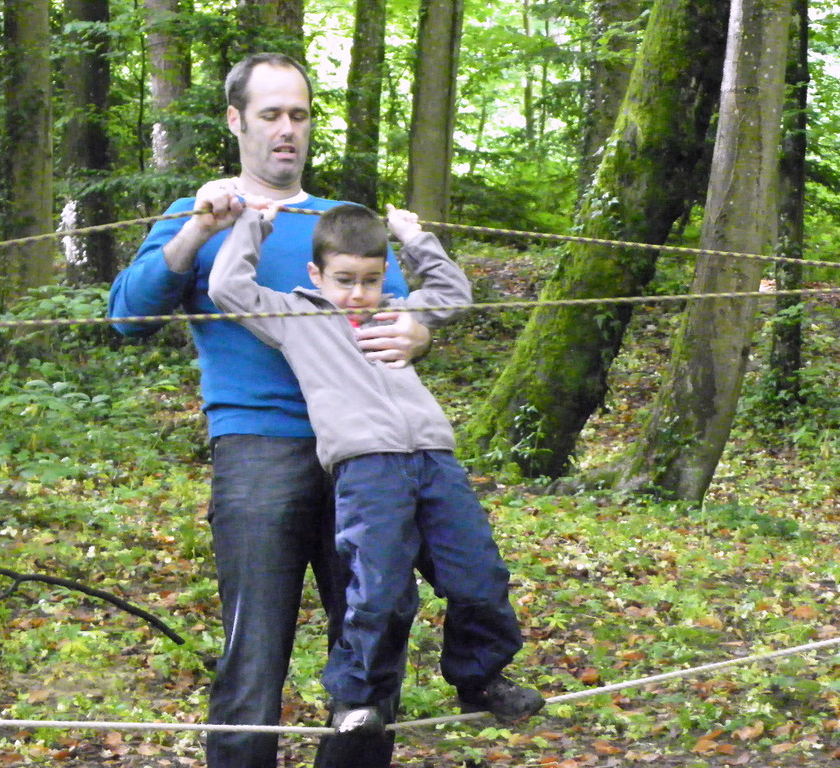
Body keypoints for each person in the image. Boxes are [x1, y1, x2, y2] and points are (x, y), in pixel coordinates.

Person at [108, 53, 430, 768]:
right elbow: (127, 315)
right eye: (271, 114)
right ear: (236, 121)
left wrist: (417, 332)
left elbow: (404, 310)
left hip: (365, 452)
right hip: (258, 449)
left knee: (374, 644)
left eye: (299, 115)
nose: (287, 129)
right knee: (252, 658)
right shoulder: (198, 214)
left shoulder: (339, 222)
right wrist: (197, 231)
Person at [208, 199, 545, 735]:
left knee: (480, 578)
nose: (358, 294)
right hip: (368, 470)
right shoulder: (295, 318)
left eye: (370, 280)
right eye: (344, 280)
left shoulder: (397, 312)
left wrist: (414, 238)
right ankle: (357, 697)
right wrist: (254, 225)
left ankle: (481, 679)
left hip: (435, 461)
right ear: (316, 274)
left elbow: (453, 293)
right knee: (380, 590)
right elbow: (227, 288)